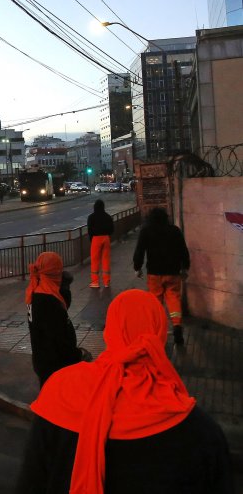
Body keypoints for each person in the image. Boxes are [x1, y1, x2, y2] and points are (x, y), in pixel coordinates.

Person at [16, 290, 234, 494]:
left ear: (110, 331)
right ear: (160, 334)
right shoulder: (199, 430)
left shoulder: (60, 393)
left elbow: (31, 483)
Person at [26, 252, 85, 386]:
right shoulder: (47, 301)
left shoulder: (37, 290)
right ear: (54, 272)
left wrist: (64, 288)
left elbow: (62, 306)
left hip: (43, 362)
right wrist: (77, 356)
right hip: (56, 366)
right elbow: (59, 338)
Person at [133, 207, 191, 345]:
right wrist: (185, 267)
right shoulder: (175, 231)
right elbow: (183, 250)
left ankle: (156, 330)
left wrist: (137, 268)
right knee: (173, 298)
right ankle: (177, 325)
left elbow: (139, 251)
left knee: (155, 302)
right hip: (173, 272)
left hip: (154, 273)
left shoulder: (146, 231)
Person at [87, 199, 114, 288]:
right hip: (106, 238)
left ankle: (95, 282)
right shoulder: (108, 216)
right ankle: (106, 282)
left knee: (95, 260)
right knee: (105, 260)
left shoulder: (91, 217)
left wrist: (92, 239)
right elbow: (112, 229)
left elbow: (90, 230)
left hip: (96, 239)